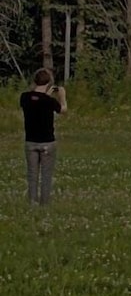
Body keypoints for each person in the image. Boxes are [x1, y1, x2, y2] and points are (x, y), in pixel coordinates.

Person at [20, 67, 67, 205]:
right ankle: (44, 203)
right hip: (47, 142)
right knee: (46, 175)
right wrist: (62, 97)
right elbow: (63, 110)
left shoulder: (24, 97)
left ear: (34, 81)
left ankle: (32, 202)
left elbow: (36, 100)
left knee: (32, 175)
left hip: (30, 142)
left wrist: (46, 94)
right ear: (49, 82)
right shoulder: (49, 101)